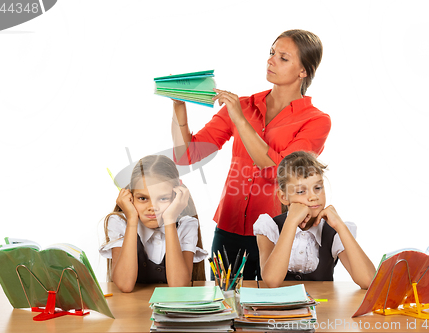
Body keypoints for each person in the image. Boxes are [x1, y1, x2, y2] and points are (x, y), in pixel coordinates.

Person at [171, 29, 331, 279]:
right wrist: (180, 106)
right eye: (271, 53)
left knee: (271, 312)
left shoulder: (316, 121)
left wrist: (239, 119)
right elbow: (187, 155)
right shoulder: (243, 106)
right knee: (225, 308)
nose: (271, 60)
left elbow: (280, 171)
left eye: (283, 57)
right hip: (229, 228)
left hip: (277, 232)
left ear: (304, 71)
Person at [254, 151, 375, 289]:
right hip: (280, 310)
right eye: (301, 191)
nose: (313, 197)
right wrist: (291, 222)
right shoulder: (269, 227)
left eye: (318, 188)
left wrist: (341, 226)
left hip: (323, 308)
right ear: (283, 197)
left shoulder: (333, 232)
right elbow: (272, 281)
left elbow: (368, 281)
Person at [99, 155, 207, 292]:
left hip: (171, 311)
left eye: (163, 198)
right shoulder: (120, 222)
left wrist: (169, 220)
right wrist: (132, 218)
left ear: (176, 196)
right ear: (131, 197)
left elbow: (179, 286)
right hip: (132, 311)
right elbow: (125, 285)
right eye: (143, 198)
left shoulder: (187, 225)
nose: (152, 207)